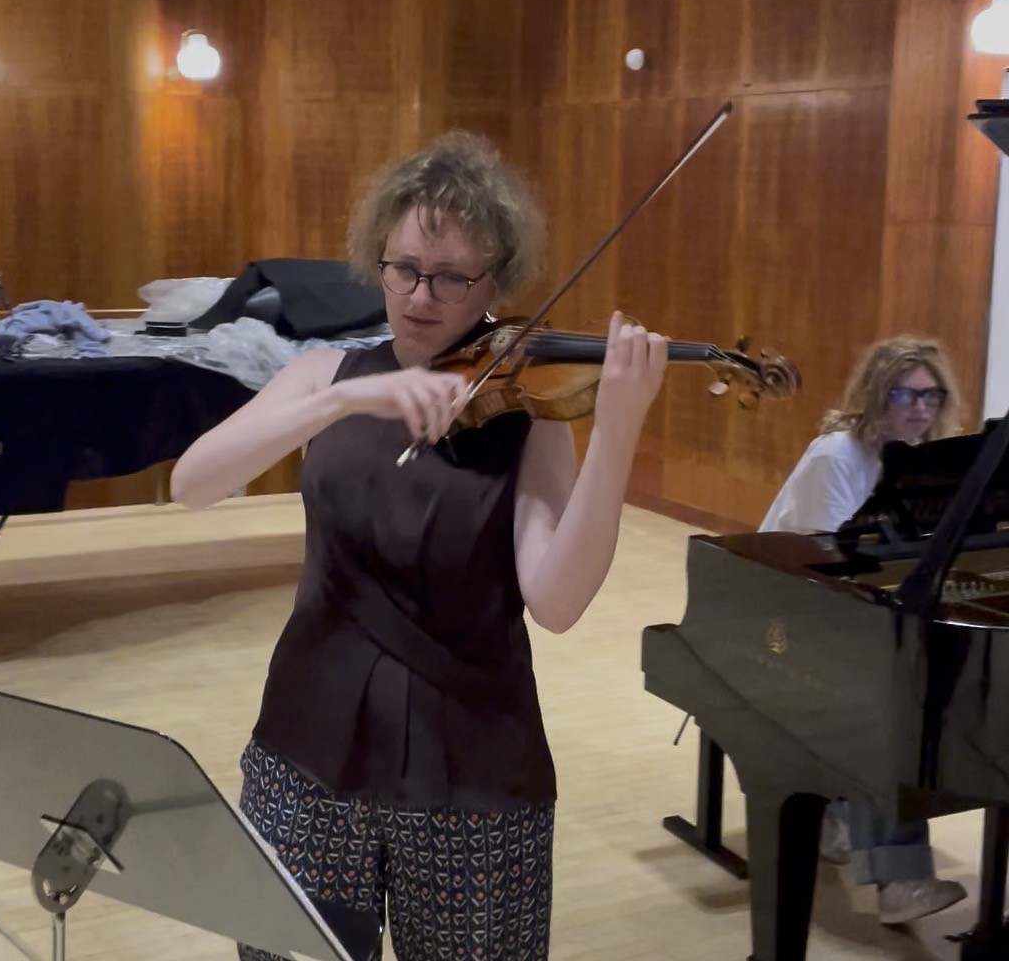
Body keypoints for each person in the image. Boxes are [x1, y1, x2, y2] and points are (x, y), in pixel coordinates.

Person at [170, 131, 667, 960]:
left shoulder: (527, 414)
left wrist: (616, 431)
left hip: (470, 767)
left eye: (450, 277)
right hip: (308, 748)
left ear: (496, 282)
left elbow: (557, 600)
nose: (419, 296)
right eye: (403, 268)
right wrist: (345, 403)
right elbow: (193, 482)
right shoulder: (324, 375)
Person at [760, 336, 966, 925]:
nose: (920, 408)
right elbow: (833, 568)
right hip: (782, 613)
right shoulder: (838, 455)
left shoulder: (922, 458)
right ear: (877, 395)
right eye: (905, 394)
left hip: (853, 610)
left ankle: (837, 815)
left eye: (931, 396)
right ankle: (900, 881)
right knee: (884, 706)